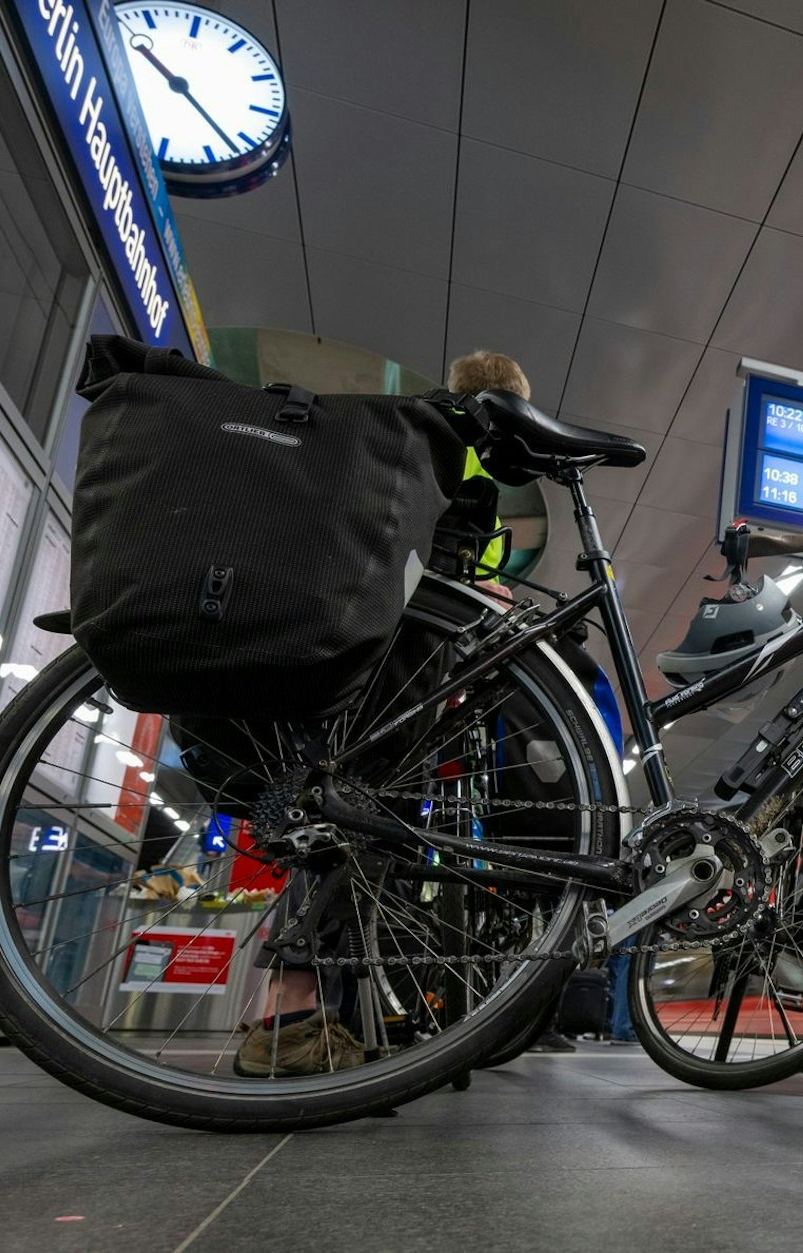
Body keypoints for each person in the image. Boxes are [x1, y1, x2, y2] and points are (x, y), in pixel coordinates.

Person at [236, 348, 562, 1076]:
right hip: (400, 659)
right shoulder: (463, 446)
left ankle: (310, 1015)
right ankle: (289, 1022)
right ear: (506, 405)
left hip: (354, 651)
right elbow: (453, 567)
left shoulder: (403, 432)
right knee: (360, 820)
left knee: (348, 824)